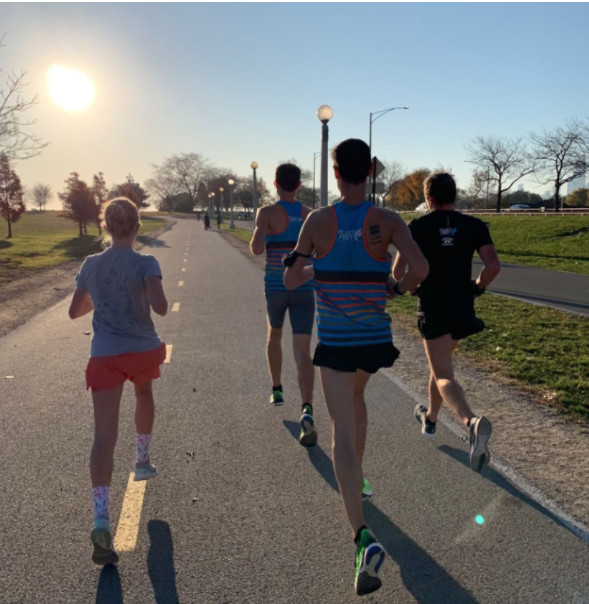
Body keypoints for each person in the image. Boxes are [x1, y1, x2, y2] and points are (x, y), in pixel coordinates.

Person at [283, 139, 428, 596]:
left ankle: (362, 537)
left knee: (340, 433)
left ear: (334, 171)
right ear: (369, 171)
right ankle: (358, 477)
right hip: (374, 340)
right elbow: (420, 268)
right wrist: (395, 288)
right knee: (358, 395)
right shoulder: (388, 220)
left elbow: (291, 278)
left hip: (338, 342)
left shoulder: (317, 221)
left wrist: (315, 267)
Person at [68, 197, 168, 566]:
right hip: (141, 350)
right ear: (137, 227)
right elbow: (161, 307)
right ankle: (142, 459)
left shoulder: (91, 264)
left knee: (103, 437)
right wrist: (142, 291)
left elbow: (75, 311)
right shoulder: (146, 263)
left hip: (105, 355)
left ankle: (100, 518)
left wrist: (103, 298)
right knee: (144, 393)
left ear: (106, 227)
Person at [392, 171, 501, 472]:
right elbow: (493, 266)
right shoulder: (474, 225)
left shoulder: (417, 227)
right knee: (440, 366)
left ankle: (471, 422)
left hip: (434, 307)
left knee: (444, 376)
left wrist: (409, 289)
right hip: (463, 307)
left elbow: (398, 273)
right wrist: (477, 286)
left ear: (428, 198)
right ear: (454, 196)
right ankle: (430, 419)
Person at [250, 163, 317, 447]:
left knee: (274, 335)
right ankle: (307, 409)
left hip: (276, 288)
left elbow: (256, 249)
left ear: (275, 184)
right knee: (303, 350)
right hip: (304, 287)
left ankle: (277, 389)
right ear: (299, 185)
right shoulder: (310, 215)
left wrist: (263, 226)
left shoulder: (266, 213)